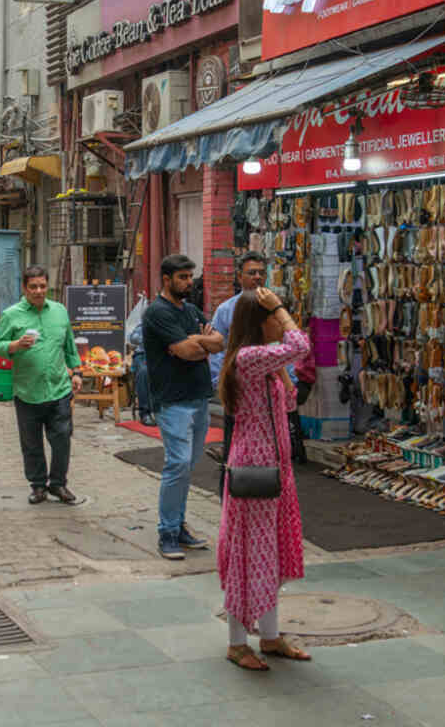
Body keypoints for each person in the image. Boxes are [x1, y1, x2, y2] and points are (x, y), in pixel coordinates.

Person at [217, 287, 312, 670]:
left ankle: (270, 637)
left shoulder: (262, 362)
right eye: (273, 316)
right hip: (255, 470)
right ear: (260, 321)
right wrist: (280, 307)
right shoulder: (249, 356)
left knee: (268, 555)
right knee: (248, 555)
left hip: (275, 468)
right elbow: (300, 345)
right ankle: (238, 643)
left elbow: (289, 403)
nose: (280, 322)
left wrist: (284, 380)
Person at [143, 254, 224, 559]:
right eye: (183, 278)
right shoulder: (157, 313)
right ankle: (167, 532)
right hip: (173, 400)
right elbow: (188, 352)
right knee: (176, 465)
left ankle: (178, 526)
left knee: (186, 469)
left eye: (191, 277)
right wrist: (197, 344)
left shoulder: (190, 310)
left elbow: (218, 341)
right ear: (166, 279)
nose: (190, 283)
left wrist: (197, 343)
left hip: (198, 398)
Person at [0, 266, 85, 504]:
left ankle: (58, 484)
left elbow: (69, 345)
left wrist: (76, 372)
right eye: (33, 286)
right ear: (24, 288)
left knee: (62, 438)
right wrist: (15, 345)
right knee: (31, 443)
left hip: (59, 389)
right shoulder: (11, 314)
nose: (38, 291)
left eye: (42, 286)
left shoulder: (60, 311)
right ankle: (37, 486)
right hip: (27, 391)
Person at [208, 252, 270, 482]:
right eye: (251, 273)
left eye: (261, 273)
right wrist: (221, 384)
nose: (257, 277)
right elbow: (217, 350)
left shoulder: (274, 306)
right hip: (238, 389)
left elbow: (284, 345)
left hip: (269, 390)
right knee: (235, 447)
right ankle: (232, 497)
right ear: (239, 277)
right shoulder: (226, 310)